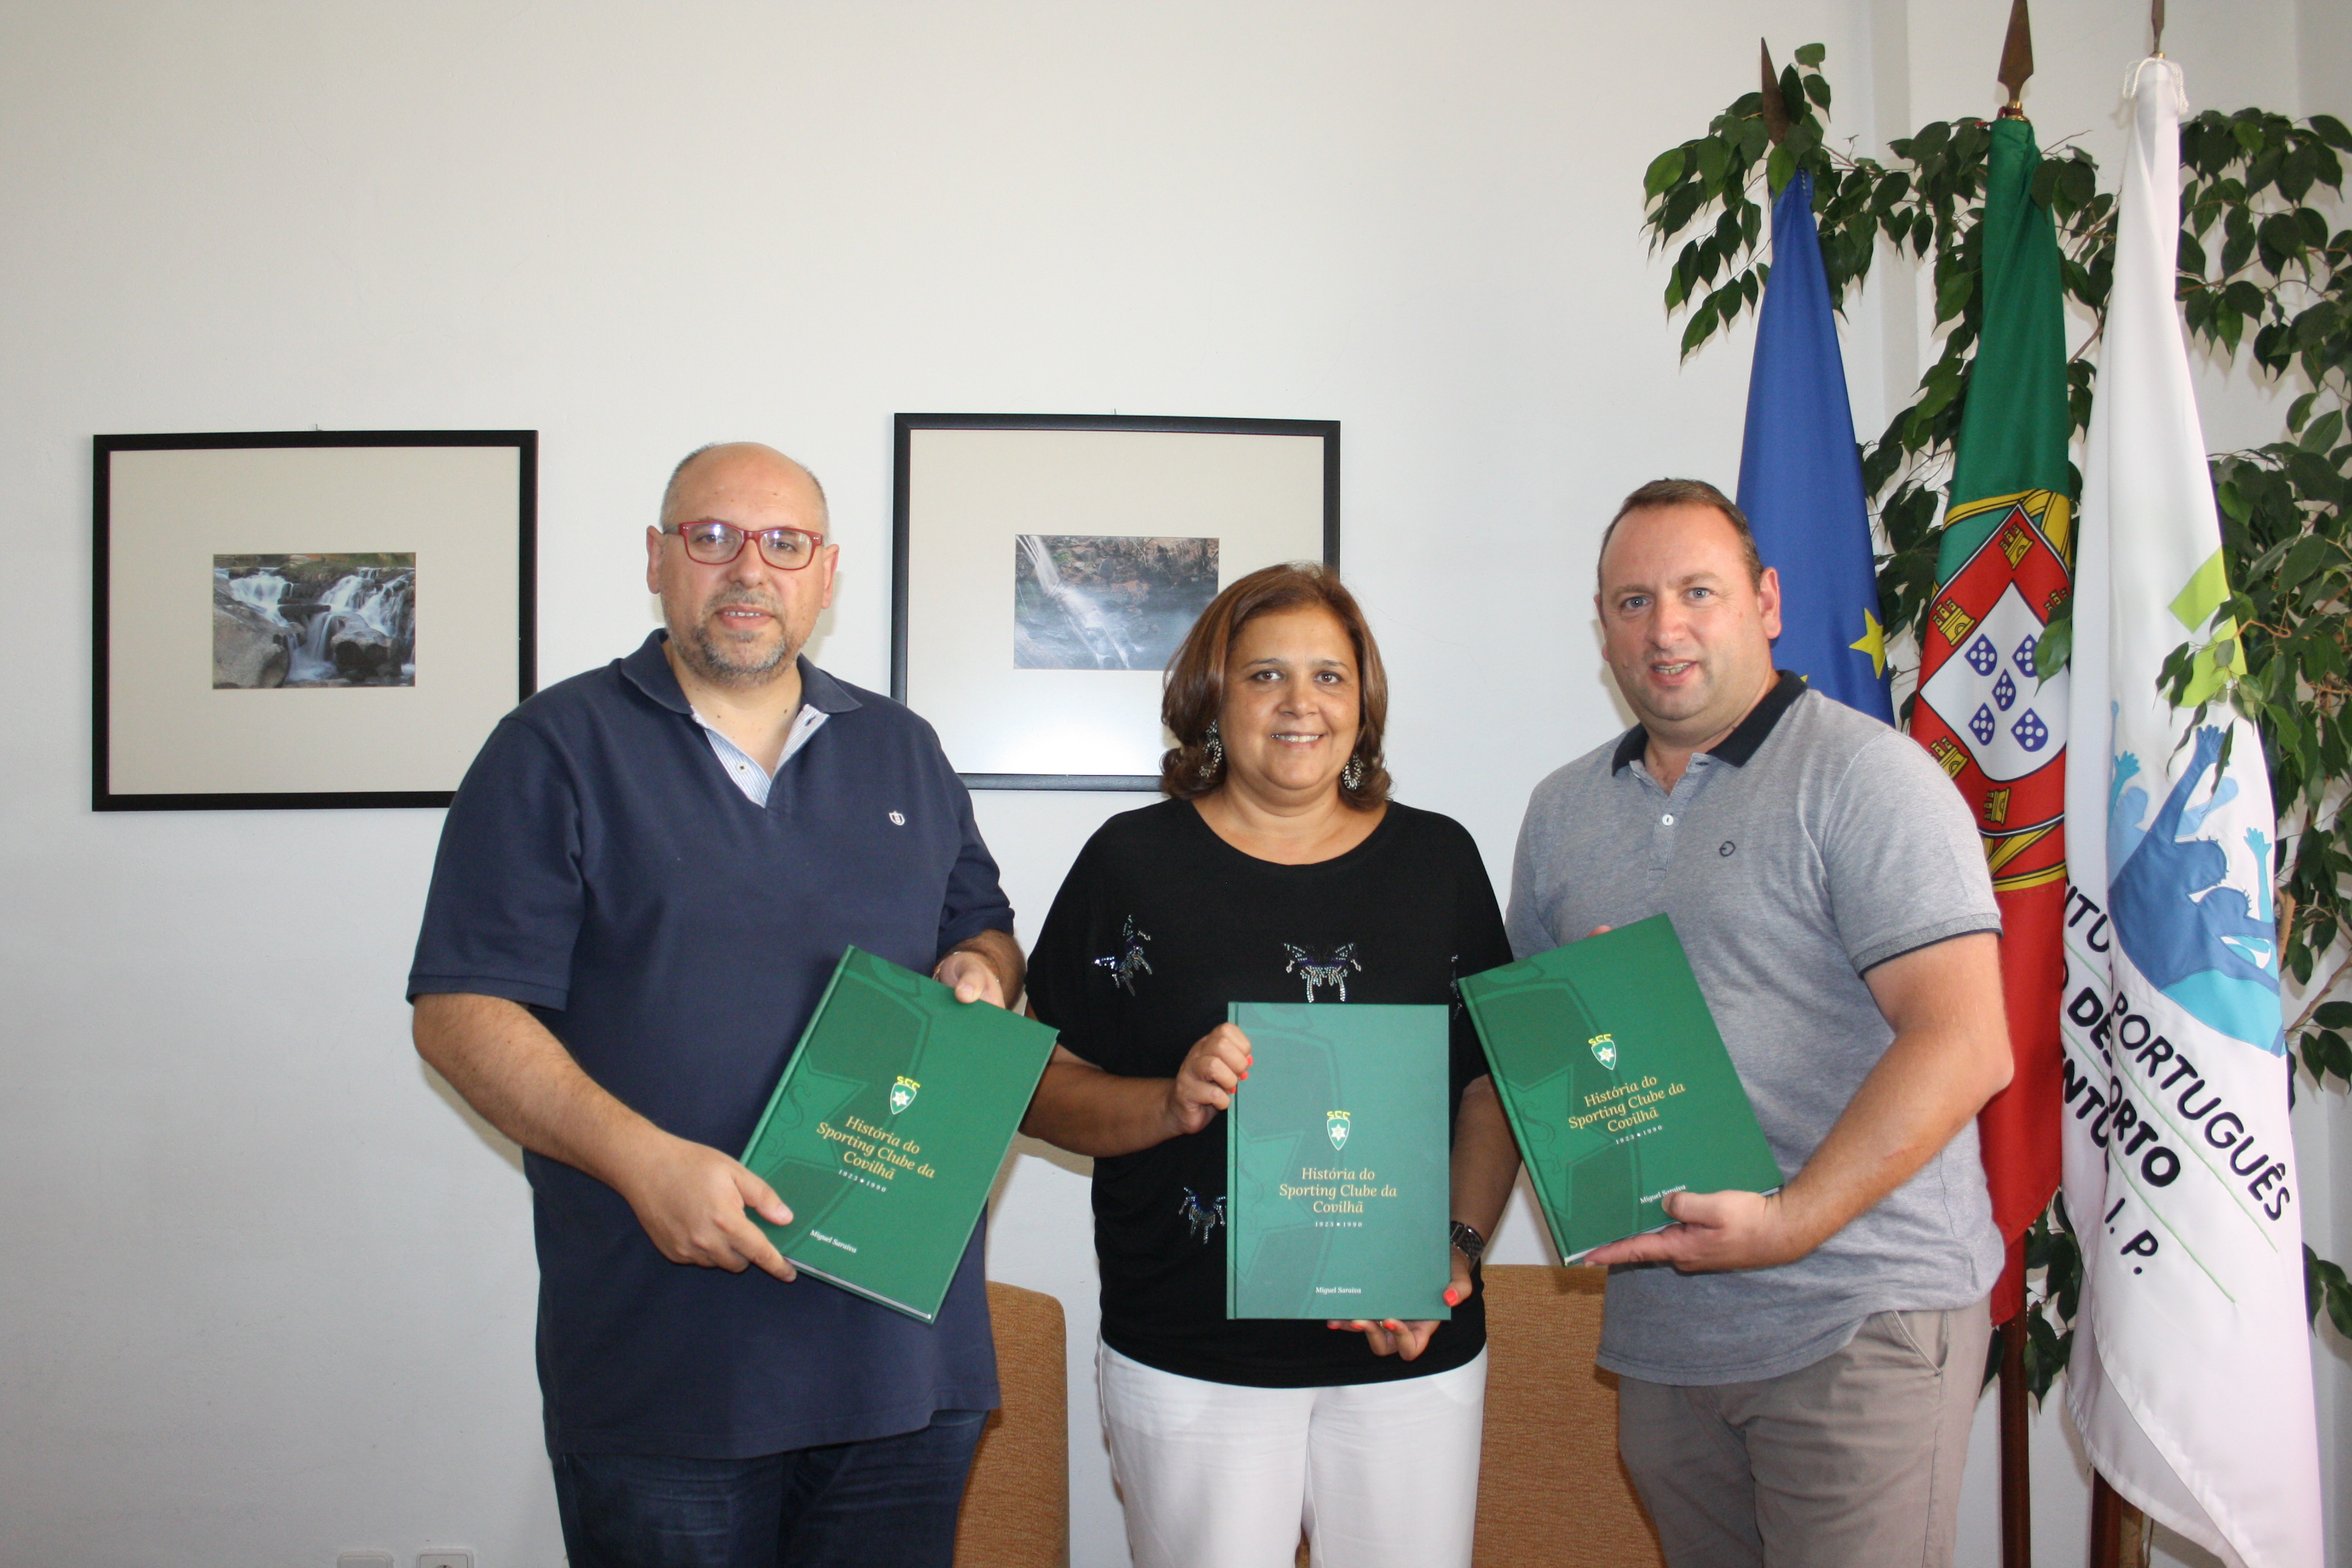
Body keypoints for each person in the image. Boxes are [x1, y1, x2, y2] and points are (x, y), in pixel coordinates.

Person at [407, 442, 1024, 1568]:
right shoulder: (553, 749)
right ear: (658, 559)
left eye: (785, 543)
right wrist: (643, 1162)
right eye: (713, 537)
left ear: (826, 574)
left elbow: (981, 931)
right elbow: (460, 1011)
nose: (750, 568)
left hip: (902, 1355)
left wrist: (980, 974)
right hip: (670, 1361)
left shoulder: (904, 749)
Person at [1507, 479, 2013, 1568]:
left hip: (1855, 1314)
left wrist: (1790, 1221)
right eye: (1634, 601)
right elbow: (1539, 1055)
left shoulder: (1868, 778)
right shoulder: (1561, 812)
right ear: (1602, 627)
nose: (1666, 628)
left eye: (1699, 591)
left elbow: (1966, 1042)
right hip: (1668, 1335)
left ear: (1767, 602)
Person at [1021, 563, 1521, 1568]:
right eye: (1265, 676)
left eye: (1330, 676)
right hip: (1195, 1352)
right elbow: (1037, 1085)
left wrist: (1457, 1251)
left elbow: (1490, 1082)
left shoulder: (1440, 861)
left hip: (1406, 1340)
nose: (1302, 703)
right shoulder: (1130, 862)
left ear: (1363, 704)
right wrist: (1170, 1102)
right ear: (1213, 700)